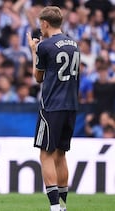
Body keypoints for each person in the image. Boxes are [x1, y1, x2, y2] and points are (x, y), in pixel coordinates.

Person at [27, 6, 80, 211]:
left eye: (41, 23)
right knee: (61, 154)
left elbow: (38, 77)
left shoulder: (45, 46)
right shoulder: (74, 44)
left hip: (52, 105)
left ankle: (54, 207)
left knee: (46, 154)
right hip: (71, 105)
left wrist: (33, 51)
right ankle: (64, 205)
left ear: (45, 23)